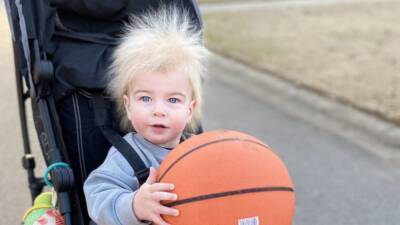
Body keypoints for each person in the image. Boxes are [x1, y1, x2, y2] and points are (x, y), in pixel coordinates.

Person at [83, 5, 208, 225]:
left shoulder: (199, 151)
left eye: (173, 100)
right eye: (145, 98)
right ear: (128, 106)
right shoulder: (126, 155)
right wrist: (134, 206)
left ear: (190, 110)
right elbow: (97, 194)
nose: (158, 110)